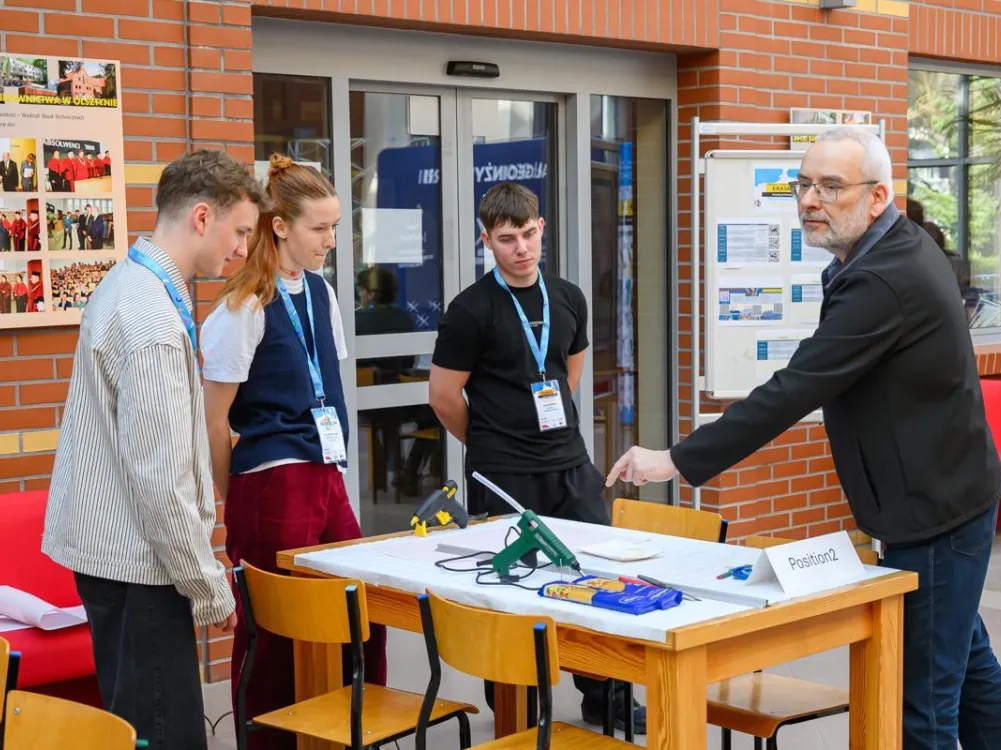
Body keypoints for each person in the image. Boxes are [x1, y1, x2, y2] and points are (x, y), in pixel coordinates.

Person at [606, 127, 1001, 750]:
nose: (810, 198)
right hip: (942, 501)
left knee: (922, 706)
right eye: (804, 183)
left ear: (878, 196)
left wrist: (675, 459)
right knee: (967, 672)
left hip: (935, 515)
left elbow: (794, 389)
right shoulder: (886, 253)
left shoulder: (883, 280)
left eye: (831, 186)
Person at [41, 149, 266, 750]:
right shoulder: (152, 322)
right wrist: (207, 583)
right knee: (167, 736)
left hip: (119, 559)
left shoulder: (128, 282)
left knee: (137, 727)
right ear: (200, 217)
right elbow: (159, 482)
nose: (242, 249)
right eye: (240, 230)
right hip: (142, 567)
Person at [428, 181, 646, 735]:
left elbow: (569, 373)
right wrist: (491, 443)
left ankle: (607, 697)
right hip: (503, 470)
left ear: (541, 229)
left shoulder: (568, 295)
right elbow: (444, 396)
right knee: (509, 589)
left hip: (570, 462)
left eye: (528, 235)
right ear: (487, 240)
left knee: (594, 578)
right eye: (507, 239)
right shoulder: (471, 309)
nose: (521, 248)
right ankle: (517, 710)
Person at [200, 154, 386, 750]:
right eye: (320, 229)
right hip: (272, 481)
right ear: (279, 226)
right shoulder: (242, 306)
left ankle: (353, 728)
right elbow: (214, 418)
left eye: (336, 227)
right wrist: (233, 495)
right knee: (276, 631)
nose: (332, 240)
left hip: (324, 474)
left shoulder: (322, 293)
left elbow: (327, 378)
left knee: (363, 607)